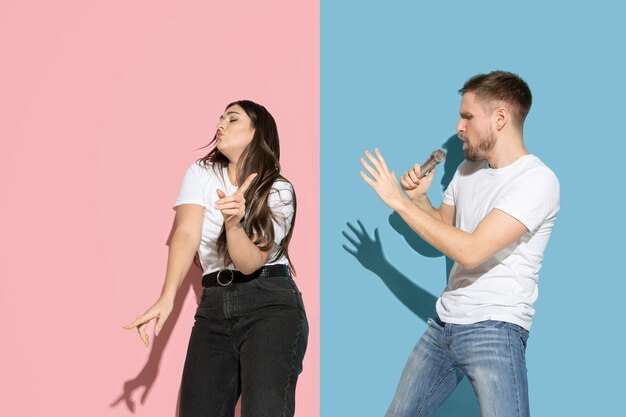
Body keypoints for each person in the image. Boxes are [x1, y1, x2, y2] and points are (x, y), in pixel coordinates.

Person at [360, 71, 559, 417]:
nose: (459, 127)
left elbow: (470, 250)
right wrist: (421, 200)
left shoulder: (537, 181)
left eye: (467, 116)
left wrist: (400, 203)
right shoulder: (466, 172)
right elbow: (444, 234)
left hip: (496, 329)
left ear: (500, 118)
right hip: (443, 325)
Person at [124, 100, 308, 417]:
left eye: (232, 119)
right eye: (220, 117)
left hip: (270, 306)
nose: (221, 123)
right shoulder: (201, 173)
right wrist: (167, 296)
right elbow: (185, 233)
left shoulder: (278, 191)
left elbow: (250, 263)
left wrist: (234, 224)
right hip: (213, 306)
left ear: (256, 132)